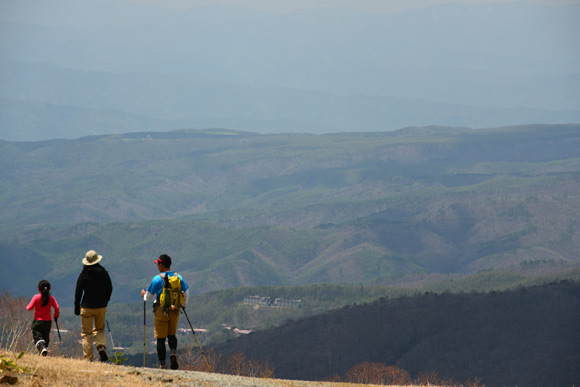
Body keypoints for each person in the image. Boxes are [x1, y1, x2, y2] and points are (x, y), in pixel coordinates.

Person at [141, 254, 189, 369]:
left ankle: (163, 364)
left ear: (162, 265)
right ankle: (173, 352)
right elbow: (186, 292)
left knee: (161, 339)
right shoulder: (178, 277)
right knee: (172, 335)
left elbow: (148, 297)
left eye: (158, 264)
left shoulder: (157, 279)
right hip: (175, 310)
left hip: (161, 311)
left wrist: (143, 294)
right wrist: (183, 305)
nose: (157, 266)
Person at [74, 250, 113, 362]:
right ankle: (101, 346)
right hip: (101, 306)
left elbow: (78, 292)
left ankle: (88, 359)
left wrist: (76, 307)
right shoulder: (104, 273)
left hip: (86, 307)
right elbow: (109, 288)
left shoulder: (84, 274)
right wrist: (105, 300)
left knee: (86, 333)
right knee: (99, 329)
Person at [26, 280, 60, 356]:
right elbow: (57, 308)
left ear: (39, 289)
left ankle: (42, 348)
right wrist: (55, 316)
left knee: (38, 336)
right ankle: (44, 349)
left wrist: (27, 307)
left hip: (37, 321)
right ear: (49, 289)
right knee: (45, 337)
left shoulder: (36, 297)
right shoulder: (51, 298)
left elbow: (30, 307)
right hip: (48, 322)